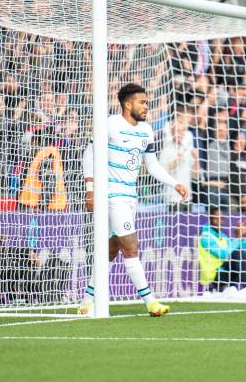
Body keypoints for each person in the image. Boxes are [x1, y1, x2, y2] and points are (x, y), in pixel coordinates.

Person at [79, 83, 188, 317]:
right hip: (111, 195)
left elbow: (152, 165)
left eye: (147, 102)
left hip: (130, 197)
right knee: (131, 246)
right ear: (127, 104)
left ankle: (87, 302)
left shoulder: (147, 130)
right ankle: (150, 302)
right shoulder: (109, 124)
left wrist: (174, 183)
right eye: (142, 102)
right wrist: (91, 189)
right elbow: (89, 154)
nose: (146, 106)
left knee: (109, 251)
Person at [199, 207, 246, 291]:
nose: (219, 221)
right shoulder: (206, 237)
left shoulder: (222, 236)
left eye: (221, 218)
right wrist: (238, 238)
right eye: (215, 218)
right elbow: (223, 254)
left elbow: (243, 253)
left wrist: (242, 237)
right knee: (236, 254)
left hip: (226, 271)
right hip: (215, 275)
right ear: (210, 219)